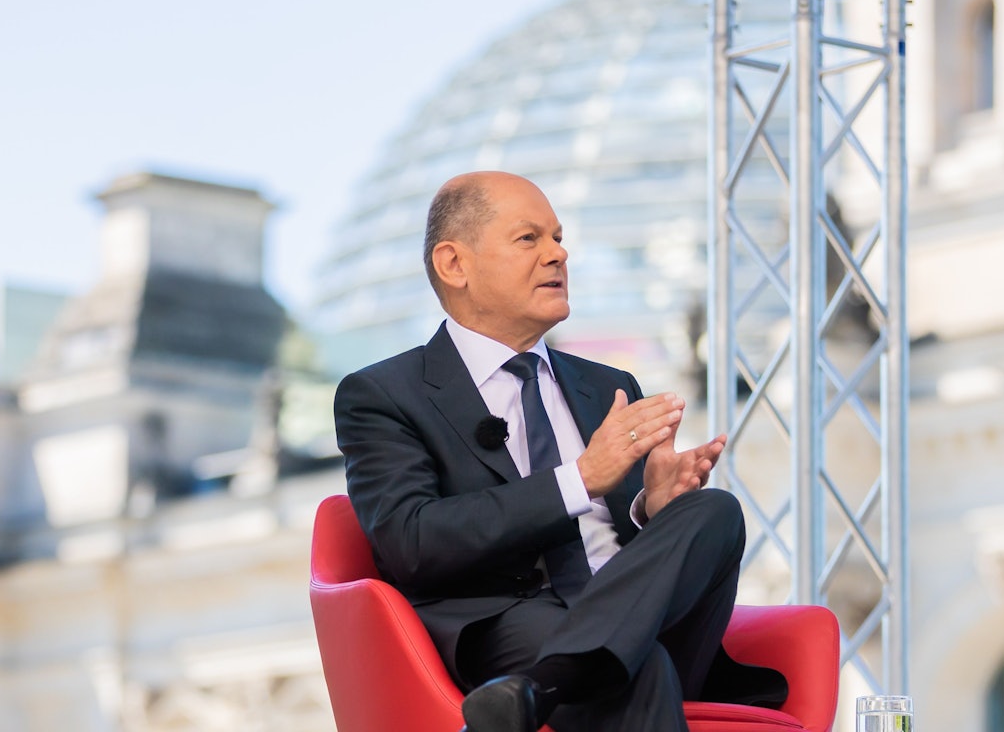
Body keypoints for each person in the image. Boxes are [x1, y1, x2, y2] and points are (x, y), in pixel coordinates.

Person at [333, 171, 786, 732]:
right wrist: (580, 479)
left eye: (558, 237)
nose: (559, 254)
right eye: (530, 239)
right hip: (510, 624)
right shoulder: (384, 394)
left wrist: (654, 509)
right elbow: (412, 542)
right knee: (636, 672)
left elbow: (636, 549)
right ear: (455, 264)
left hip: (637, 622)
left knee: (713, 510)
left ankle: (551, 683)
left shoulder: (608, 385)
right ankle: (575, 669)